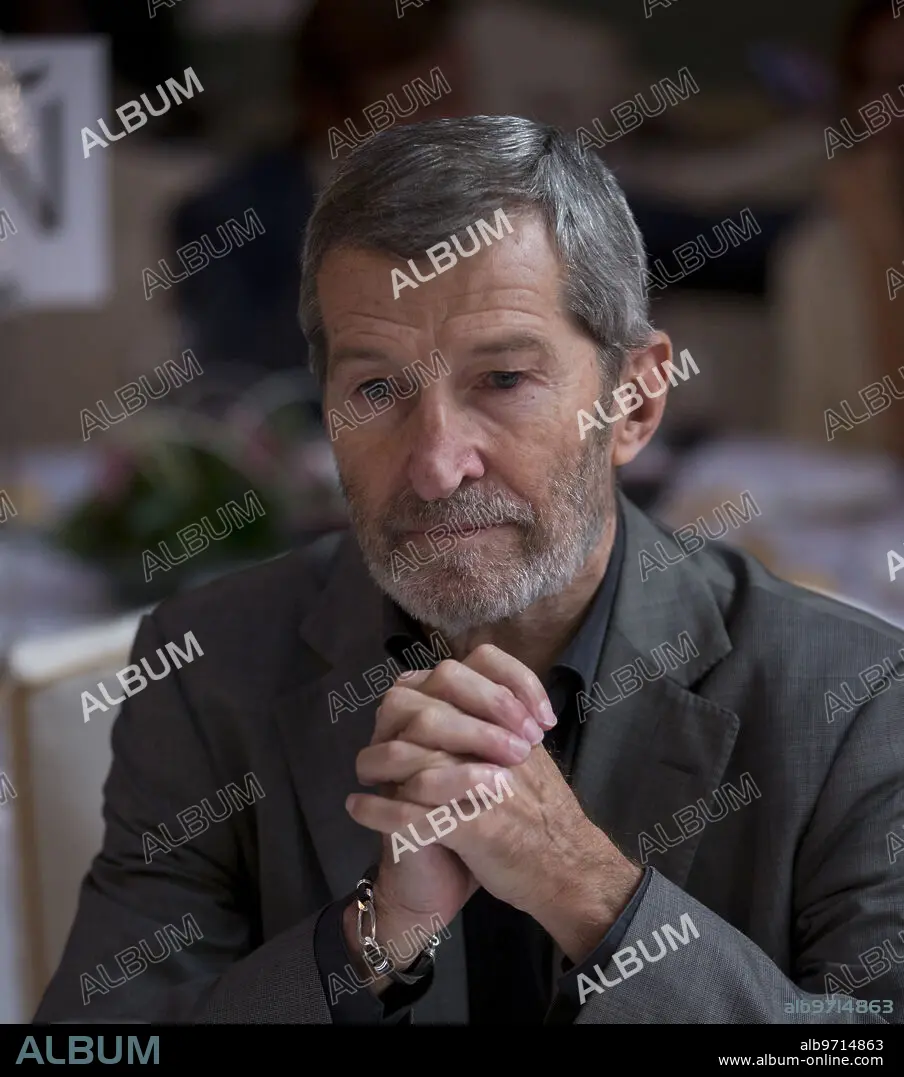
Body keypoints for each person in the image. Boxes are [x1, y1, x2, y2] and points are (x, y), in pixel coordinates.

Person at [35, 116, 904, 1025]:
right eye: (377, 389)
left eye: (504, 380)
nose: (437, 465)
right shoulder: (205, 667)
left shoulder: (851, 697)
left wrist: (590, 893)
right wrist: (371, 940)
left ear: (635, 401)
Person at [771, 0, 904, 453]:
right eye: (867, 82)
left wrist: (882, 247)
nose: (882, 111)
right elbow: (813, 457)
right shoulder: (818, 256)